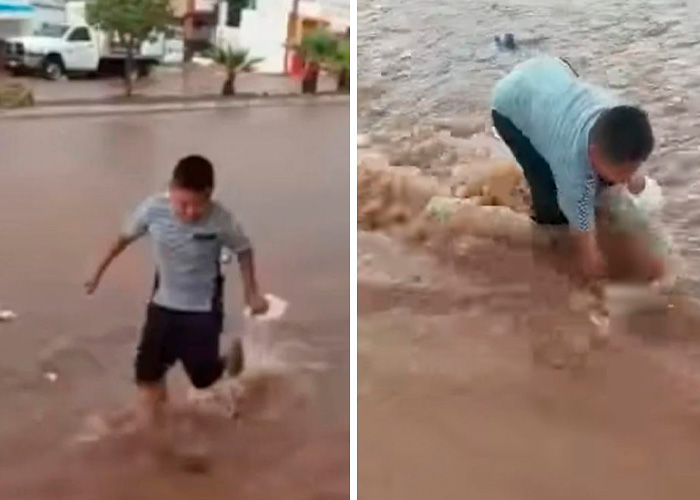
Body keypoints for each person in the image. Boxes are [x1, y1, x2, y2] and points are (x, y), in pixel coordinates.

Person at [85, 155, 269, 427]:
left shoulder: (221, 220)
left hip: (203, 308)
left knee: (202, 378)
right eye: (183, 204)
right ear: (170, 190)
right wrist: (97, 274)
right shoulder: (152, 209)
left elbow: (243, 250)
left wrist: (252, 293)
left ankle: (229, 360)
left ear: (210, 195)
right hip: (163, 304)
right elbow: (121, 240)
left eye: (199, 205)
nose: (191, 213)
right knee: (147, 375)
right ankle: (155, 433)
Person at [491, 55, 658, 281]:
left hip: (552, 67)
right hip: (508, 104)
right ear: (592, 154)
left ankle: (604, 181)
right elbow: (584, 241)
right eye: (621, 174)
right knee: (551, 206)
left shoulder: (619, 116)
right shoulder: (573, 173)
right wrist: (590, 260)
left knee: (603, 187)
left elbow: (631, 162)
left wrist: (633, 179)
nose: (625, 180)